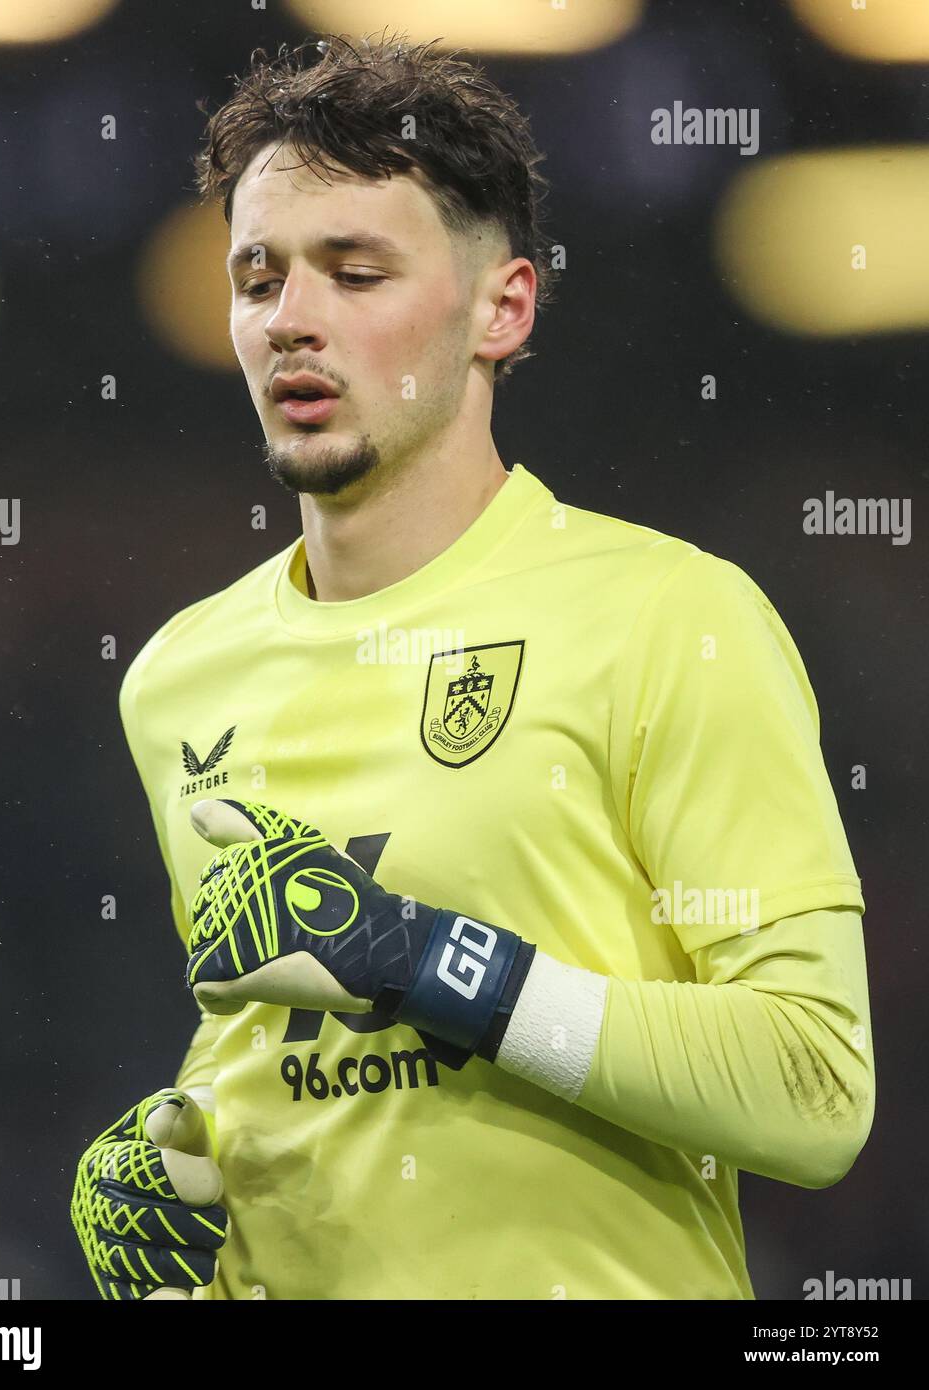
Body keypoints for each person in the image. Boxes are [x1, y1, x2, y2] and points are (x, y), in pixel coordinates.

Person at [75, 32, 874, 1301]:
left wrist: (437, 964)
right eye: (258, 277)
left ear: (503, 307)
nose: (292, 320)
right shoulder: (178, 675)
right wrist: (176, 1174)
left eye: (356, 271)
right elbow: (285, 1041)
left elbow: (814, 1087)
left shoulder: (671, 617)